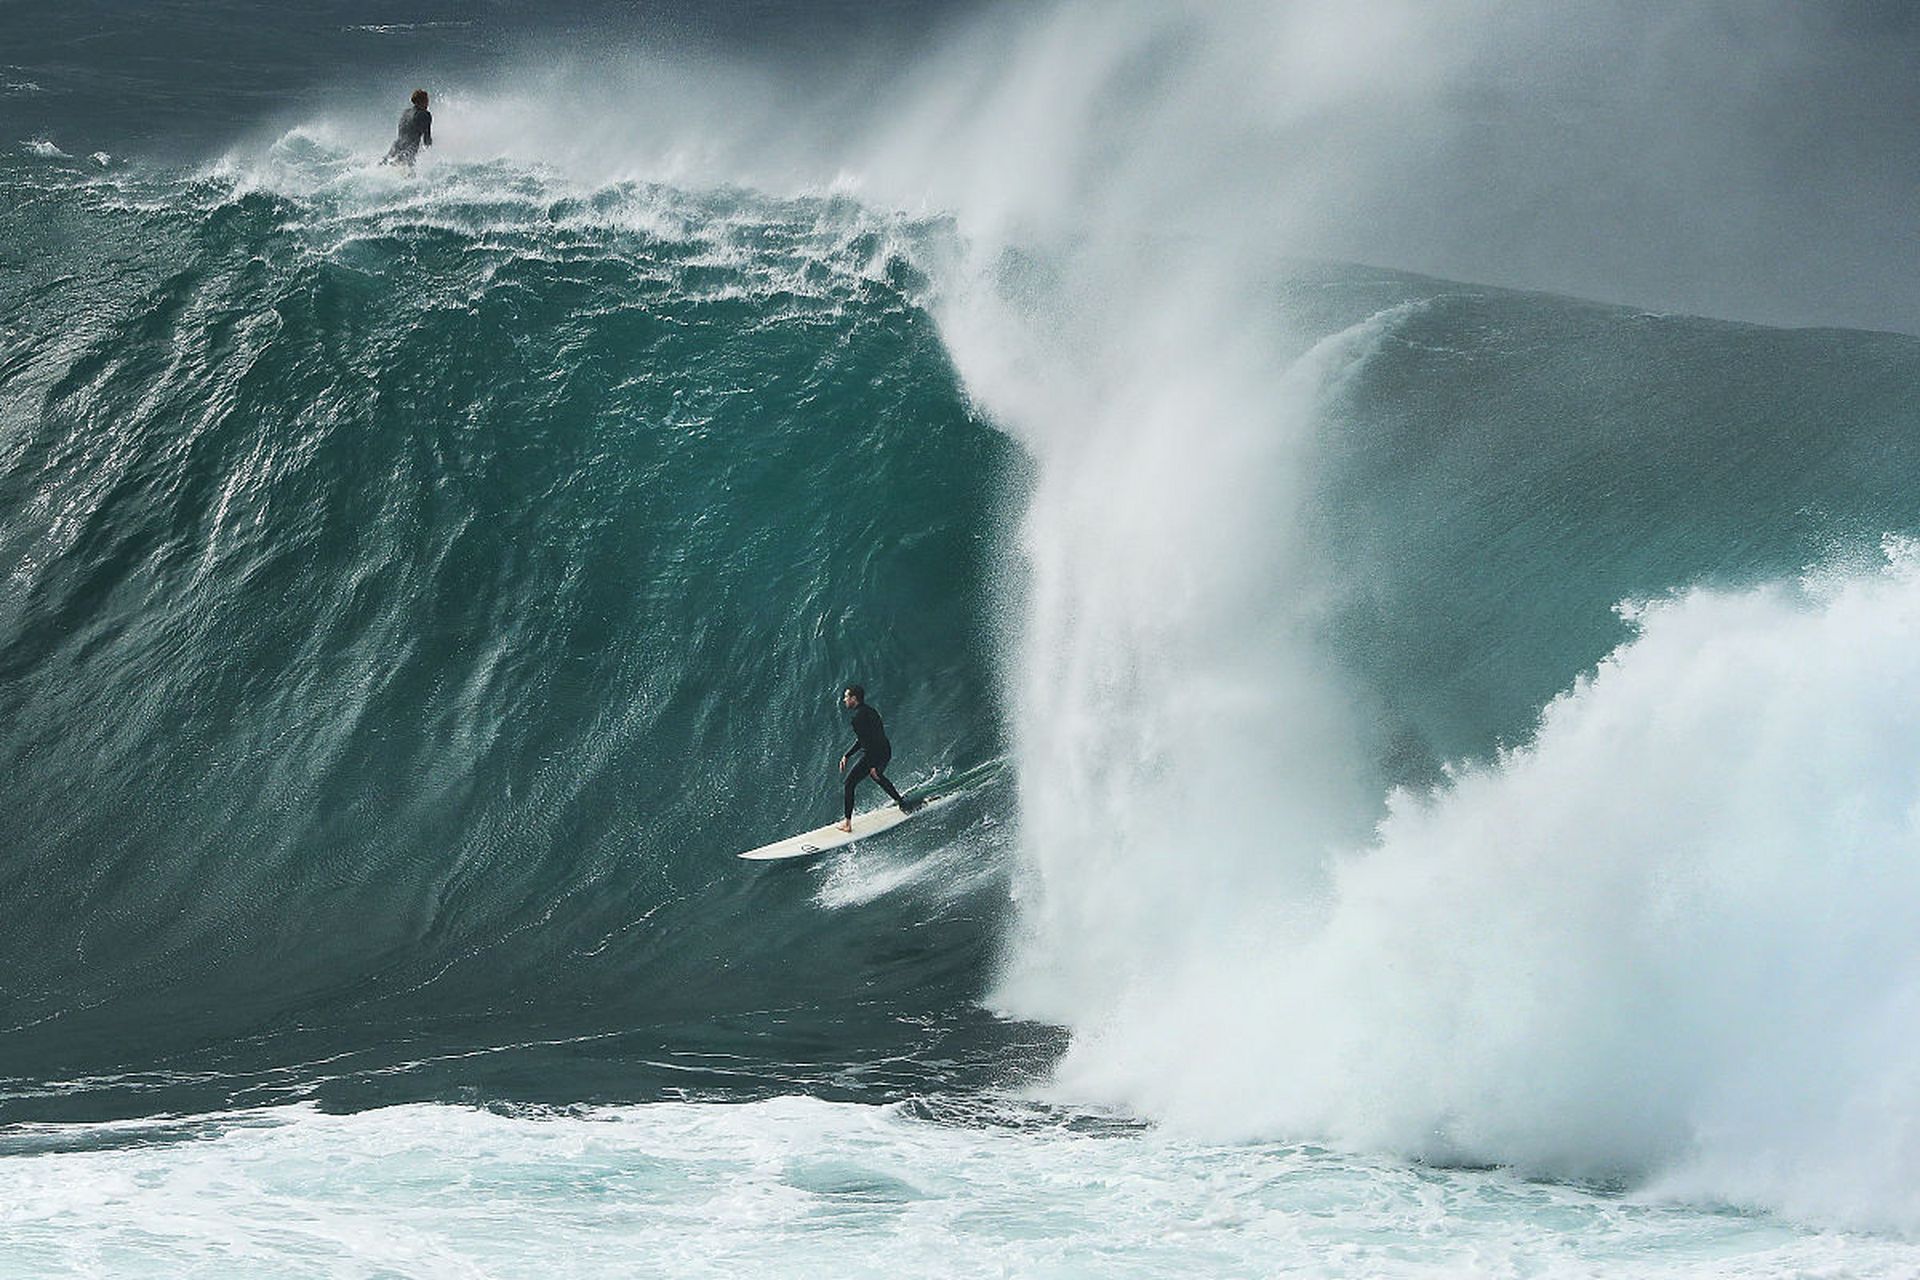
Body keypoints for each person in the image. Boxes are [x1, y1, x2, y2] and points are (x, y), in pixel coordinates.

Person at [836, 685, 920, 832]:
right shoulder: (871, 711)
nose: (844, 700)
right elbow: (873, 737)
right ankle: (902, 803)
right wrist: (847, 755)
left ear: (854, 699)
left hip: (874, 752)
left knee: (849, 783)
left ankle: (847, 824)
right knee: (876, 776)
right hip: (885, 749)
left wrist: (872, 763)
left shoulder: (857, 718)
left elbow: (865, 742)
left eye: (846, 697)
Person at [384, 89, 433, 169]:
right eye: (427, 100)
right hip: (409, 149)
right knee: (407, 173)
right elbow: (427, 139)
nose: (428, 102)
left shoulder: (405, 113)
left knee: (385, 165)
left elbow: (401, 130)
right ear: (422, 101)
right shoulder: (425, 114)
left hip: (396, 145)